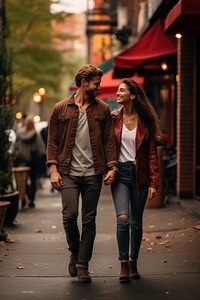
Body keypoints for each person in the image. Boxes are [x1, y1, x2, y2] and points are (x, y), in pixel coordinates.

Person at [46, 64, 118, 283]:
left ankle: (82, 265)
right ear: (83, 82)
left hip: (93, 172)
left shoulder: (103, 109)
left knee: (89, 220)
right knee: (69, 216)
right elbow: (52, 141)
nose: (99, 87)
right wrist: (53, 169)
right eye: (96, 83)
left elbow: (108, 140)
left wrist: (112, 166)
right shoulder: (61, 108)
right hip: (68, 172)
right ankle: (74, 250)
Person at [111, 78, 161, 283]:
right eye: (117, 90)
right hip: (120, 174)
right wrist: (109, 168)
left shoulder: (144, 121)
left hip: (139, 175)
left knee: (135, 222)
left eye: (121, 90)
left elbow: (151, 153)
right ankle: (123, 264)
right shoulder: (112, 118)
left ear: (132, 95)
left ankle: (134, 262)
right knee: (123, 219)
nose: (117, 93)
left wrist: (154, 181)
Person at [13, 115, 45, 207]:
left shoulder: (19, 132)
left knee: (23, 180)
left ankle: (24, 196)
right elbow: (41, 147)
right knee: (33, 179)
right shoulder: (35, 133)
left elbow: (16, 146)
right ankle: (31, 199)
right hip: (33, 160)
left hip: (22, 159)